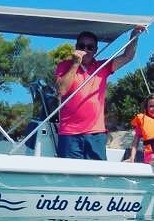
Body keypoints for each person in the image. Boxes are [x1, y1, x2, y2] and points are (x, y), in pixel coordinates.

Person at [54, 27, 144, 160]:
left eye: (90, 47)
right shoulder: (64, 65)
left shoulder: (102, 67)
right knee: (69, 177)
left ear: (95, 50)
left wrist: (134, 35)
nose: (85, 50)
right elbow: (61, 90)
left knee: (97, 178)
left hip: (96, 133)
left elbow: (127, 57)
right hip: (70, 133)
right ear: (76, 47)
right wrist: (75, 64)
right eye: (82, 46)